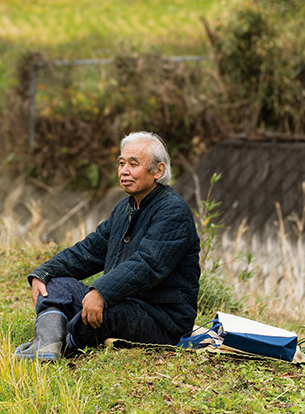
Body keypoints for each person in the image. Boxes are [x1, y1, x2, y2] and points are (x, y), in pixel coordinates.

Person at [15, 131, 201, 361]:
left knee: (104, 314)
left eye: (134, 164)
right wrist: (43, 272)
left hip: (161, 319)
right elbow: (90, 250)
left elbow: (148, 264)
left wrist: (101, 292)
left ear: (158, 171)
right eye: (122, 163)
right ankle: (46, 346)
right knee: (55, 284)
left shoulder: (173, 211)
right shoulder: (125, 208)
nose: (124, 171)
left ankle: (65, 344)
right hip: (124, 300)